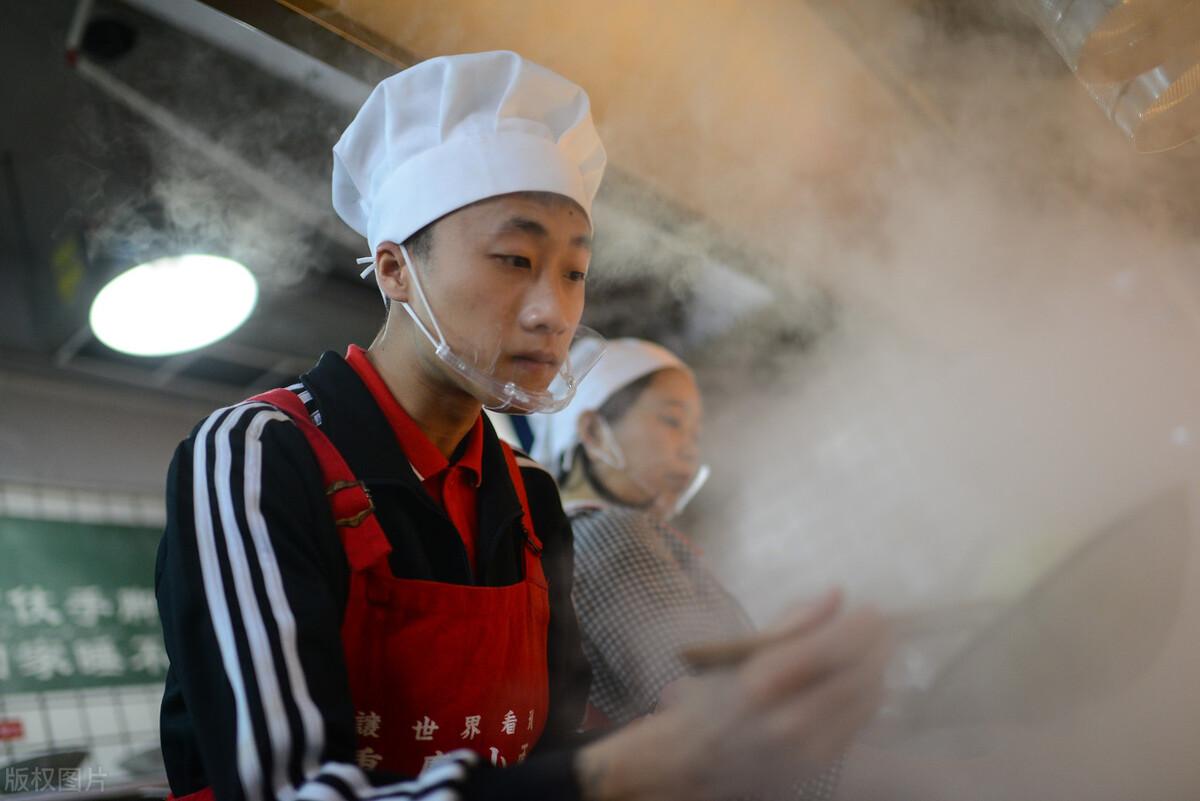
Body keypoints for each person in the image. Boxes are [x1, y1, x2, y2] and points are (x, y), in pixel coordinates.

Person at [155, 50, 889, 801]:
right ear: (395, 269)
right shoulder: (257, 453)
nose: (554, 313)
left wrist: (724, 717)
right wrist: (631, 767)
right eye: (513, 259)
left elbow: (546, 751)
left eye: (574, 272)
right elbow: (283, 791)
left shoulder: (530, 496)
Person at [530, 338, 844, 800]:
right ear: (593, 432)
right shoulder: (613, 532)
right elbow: (723, 721)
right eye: (672, 421)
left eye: (695, 435)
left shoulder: (578, 536)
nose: (689, 451)